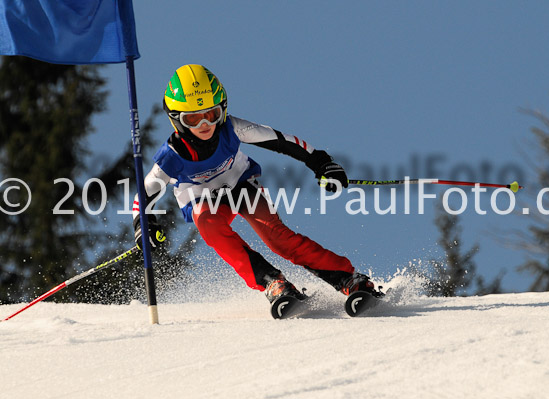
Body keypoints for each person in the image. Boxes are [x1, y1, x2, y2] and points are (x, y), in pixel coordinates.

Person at [133, 64, 378, 305]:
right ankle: (272, 282)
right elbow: (145, 192)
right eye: (193, 119)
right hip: (202, 200)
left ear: (223, 110)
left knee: (275, 236)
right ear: (176, 120)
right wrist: (143, 224)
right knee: (209, 223)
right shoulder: (172, 155)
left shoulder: (232, 128)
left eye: (211, 114)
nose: (204, 125)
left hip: (241, 186)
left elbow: (281, 141)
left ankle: (347, 278)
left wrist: (321, 163)